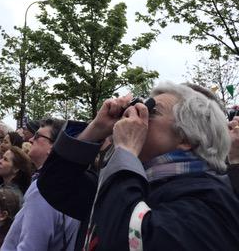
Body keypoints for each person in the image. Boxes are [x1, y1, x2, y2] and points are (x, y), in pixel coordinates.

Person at [44, 83, 239, 250]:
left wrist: (126, 152)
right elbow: (56, 185)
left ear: (187, 138)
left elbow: (128, 240)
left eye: (151, 111)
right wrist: (95, 129)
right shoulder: (136, 181)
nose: (135, 116)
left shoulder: (211, 199)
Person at [0, 118, 78, 251]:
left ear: (53, 147)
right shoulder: (67, 182)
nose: (30, 140)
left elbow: (31, 246)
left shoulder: (44, 189)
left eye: (37, 136)